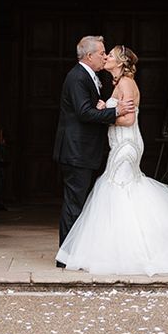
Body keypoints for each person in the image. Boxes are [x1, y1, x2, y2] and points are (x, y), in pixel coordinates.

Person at [56, 45, 168, 276]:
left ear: (121, 62)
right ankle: (119, 249)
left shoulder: (126, 84)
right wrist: (107, 108)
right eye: (105, 54)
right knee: (121, 191)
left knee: (117, 190)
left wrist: (108, 115)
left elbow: (128, 120)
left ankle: (132, 251)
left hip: (126, 146)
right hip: (120, 146)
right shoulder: (118, 84)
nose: (107, 58)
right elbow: (117, 111)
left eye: (110, 55)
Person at [53, 36, 134, 266]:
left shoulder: (90, 77)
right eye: (101, 53)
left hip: (82, 151)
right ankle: (66, 258)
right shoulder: (77, 77)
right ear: (89, 56)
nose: (105, 56)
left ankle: (73, 253)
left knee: (77, 202)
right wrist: (114, 111)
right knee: (74, 204)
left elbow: (89, 108)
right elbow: (84, 113)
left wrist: (103, 105)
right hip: (76, 151)